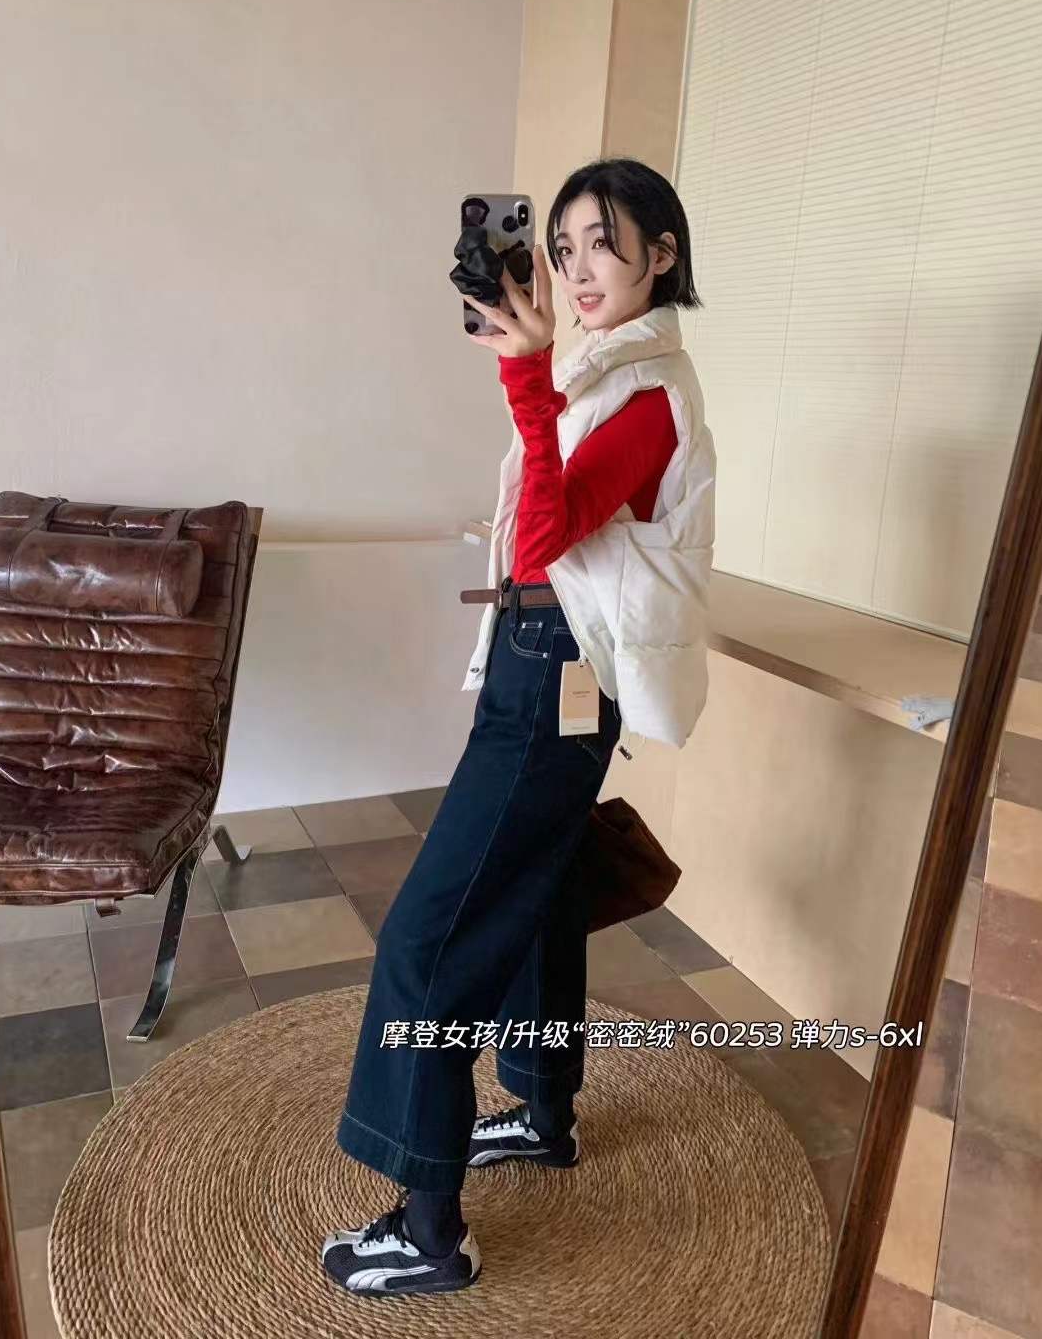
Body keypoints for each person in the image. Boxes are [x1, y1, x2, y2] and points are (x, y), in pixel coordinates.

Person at [321, 157, 716, 1297]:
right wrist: (537, 375)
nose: (579, 269)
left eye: (605, 242)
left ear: (663, 255)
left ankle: (429, 1231)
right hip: (547, 666)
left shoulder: (647, 393)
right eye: (564, 246)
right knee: (536, 896)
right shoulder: (612, 370)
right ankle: (543, 1114)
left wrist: (526, 378)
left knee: (425, 939)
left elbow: (546, 534)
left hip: (555, 678)